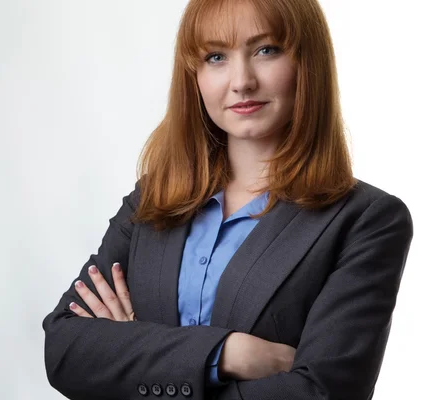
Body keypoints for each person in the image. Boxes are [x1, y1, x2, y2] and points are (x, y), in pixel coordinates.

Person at [42, 0, 414, 399]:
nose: (241, 81)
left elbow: (323, 392)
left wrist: (131, 354)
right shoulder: (151, 202)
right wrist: (224, 354)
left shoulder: (367, 221)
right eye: (216, 56)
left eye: (265, 50)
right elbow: (64, 349)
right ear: (195, 76)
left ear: (308, 61)